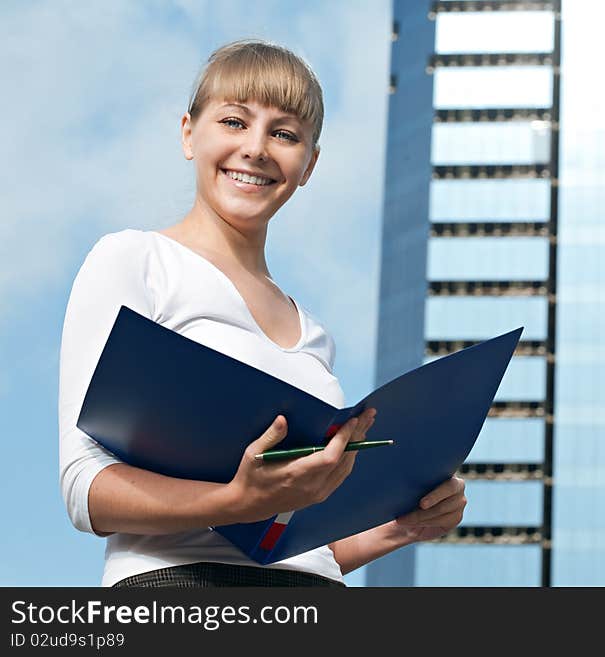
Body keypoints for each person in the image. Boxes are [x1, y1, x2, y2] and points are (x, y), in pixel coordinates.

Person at [58, 39, 466, 587]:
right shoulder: (135, 261)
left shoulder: (314, 335)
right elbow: (85, 487)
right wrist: (233, 499)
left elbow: (298, 541)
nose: (256, 149)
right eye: (234, 121)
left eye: (284, 134)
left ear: (308, 164)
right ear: (188, 133)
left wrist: (403, 527)